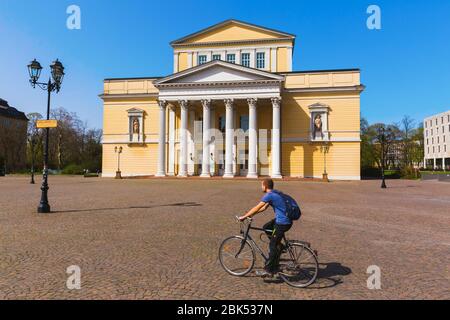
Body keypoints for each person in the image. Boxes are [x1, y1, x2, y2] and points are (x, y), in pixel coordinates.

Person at [239, 178, 294, 278]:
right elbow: (263, 208)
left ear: (265, 186)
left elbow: (257, 207)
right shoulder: (274, 193)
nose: (261, 187)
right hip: (284, 220)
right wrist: (251, 215)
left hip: (283, 223)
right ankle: (279, 247)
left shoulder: (269, 195)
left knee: (273, 244)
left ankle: (269, 270)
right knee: (266, 227)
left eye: (261, 185)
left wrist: (244, 216)